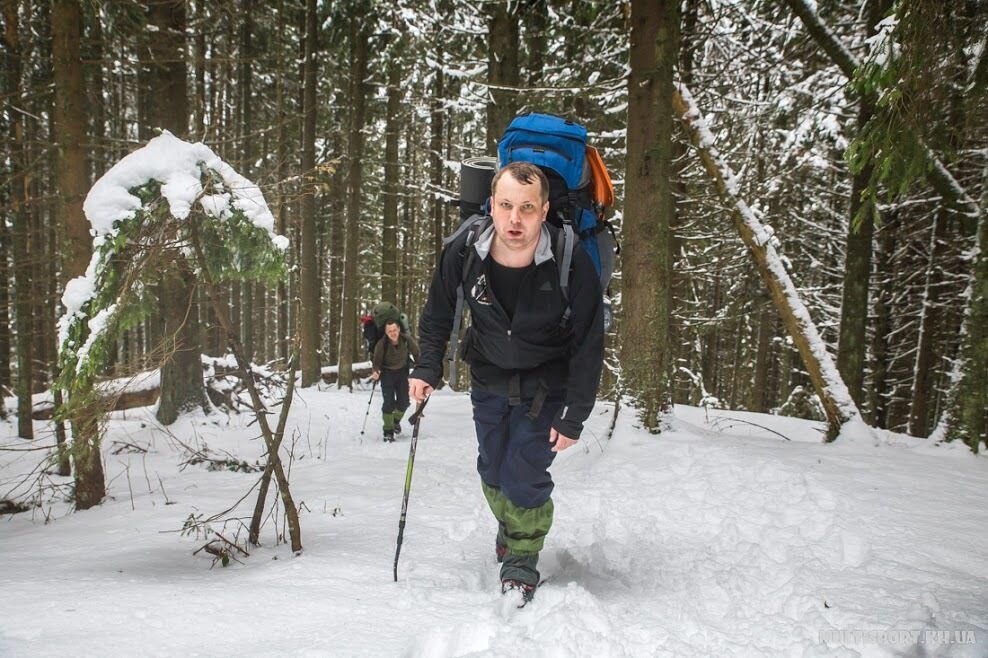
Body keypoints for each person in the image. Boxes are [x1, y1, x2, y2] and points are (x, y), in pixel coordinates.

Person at [408, 161, 604, 602]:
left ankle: (522, 559)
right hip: (489, 375)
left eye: (528, 208)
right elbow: (439, 312)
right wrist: (426, 368)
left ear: (545, 209)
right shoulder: (464, 249)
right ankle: (514, 523)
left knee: (523, 472)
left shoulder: (570, 260)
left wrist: (575, 413)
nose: (516, 219)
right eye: (507, 206)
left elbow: (590, 342)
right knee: (493, 468)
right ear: (492, 205)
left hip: (546, 382)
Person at [371, 319, 420, 442]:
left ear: (398, 329)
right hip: (387, 374)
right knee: (389, 403)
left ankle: (395, 422)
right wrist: (376, 371)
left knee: (404, 402)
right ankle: (388, 431)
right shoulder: (382, 344)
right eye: (389, 331)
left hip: (402, 372)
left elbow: (417, 354)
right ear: (386, 332)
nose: (392, 333)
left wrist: (421, 369)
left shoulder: (407, 340)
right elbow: (376, 362)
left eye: (394, 330)